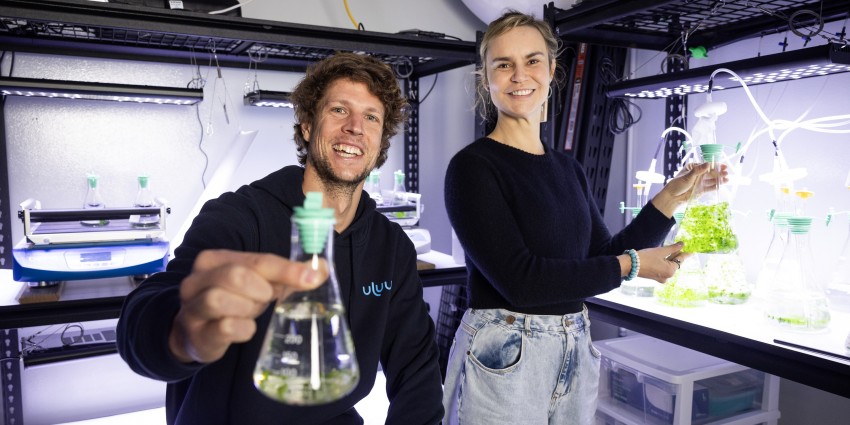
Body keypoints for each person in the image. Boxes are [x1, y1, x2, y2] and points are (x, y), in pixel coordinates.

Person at [117, 52, 444, 425]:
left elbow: (417, 368)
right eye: (339, 110)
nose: (355, 126)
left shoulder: (390, 246)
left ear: (380, 142)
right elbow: (143, 316)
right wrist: (180, 333)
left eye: (371, 117)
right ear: (307, 124)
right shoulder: (239, 218)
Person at [441, 11, 726, 425]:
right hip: (505, 353)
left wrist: (668, 200)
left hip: (574, 344)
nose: (520, 75)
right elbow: (521, 281)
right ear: (486, 78)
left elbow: (601, 252)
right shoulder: (473, 168)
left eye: (532, 61)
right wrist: (631, 266)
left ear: (553, 71)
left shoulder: (567, 167)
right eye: (504, 65)